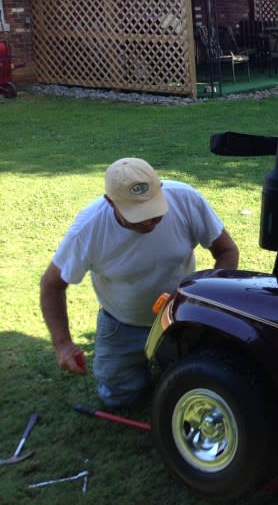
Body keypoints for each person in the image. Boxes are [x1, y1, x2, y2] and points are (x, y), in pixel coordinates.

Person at [40, 157, 239, 407]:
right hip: (122, 322)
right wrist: (63, 345)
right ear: (111, 202)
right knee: (118, 398)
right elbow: (51, 284)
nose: (149, 221)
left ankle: (170, 361)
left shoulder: (185, 199)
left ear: (161, 189)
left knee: (198, 383)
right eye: (138, 215)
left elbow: (226, 251)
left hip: (180, 318)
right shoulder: (89, 229)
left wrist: (206, 303)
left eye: (154, 211)